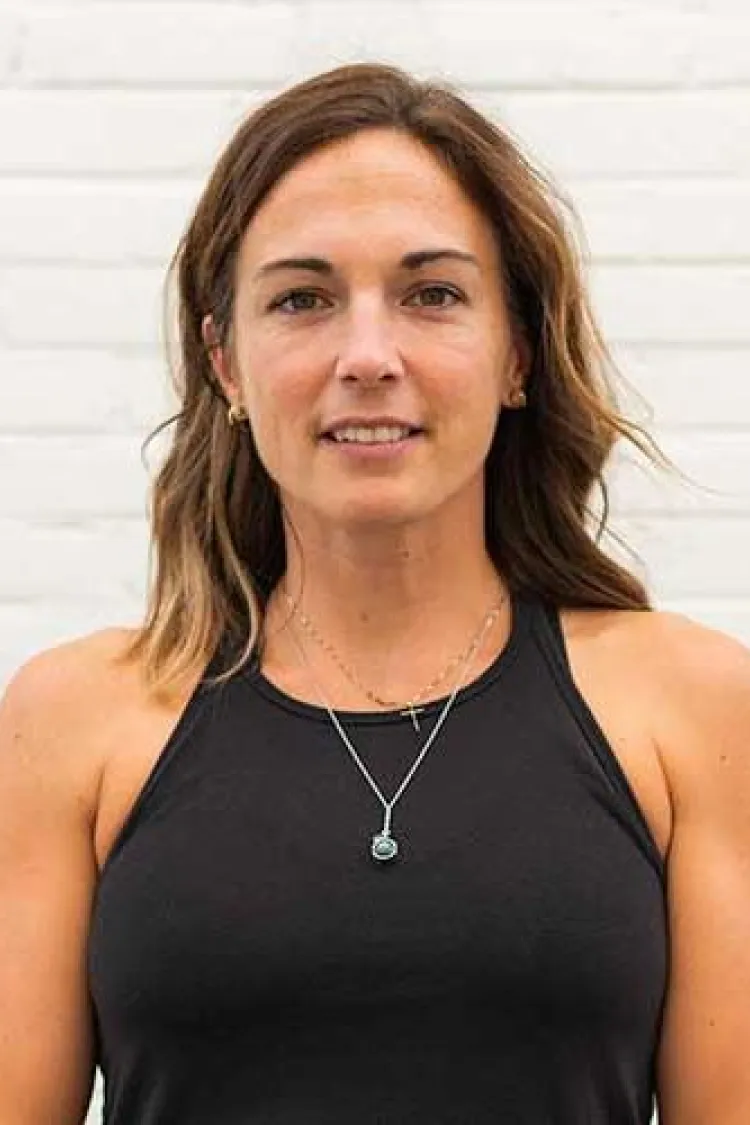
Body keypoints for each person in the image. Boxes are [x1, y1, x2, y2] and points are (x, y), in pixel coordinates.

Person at [1, 61, 749, 1125]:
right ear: (225, 362)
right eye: (301, 299)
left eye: (431, 294)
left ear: (518, 353)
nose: (367, 355)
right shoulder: (74, 723)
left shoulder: (693, 709)